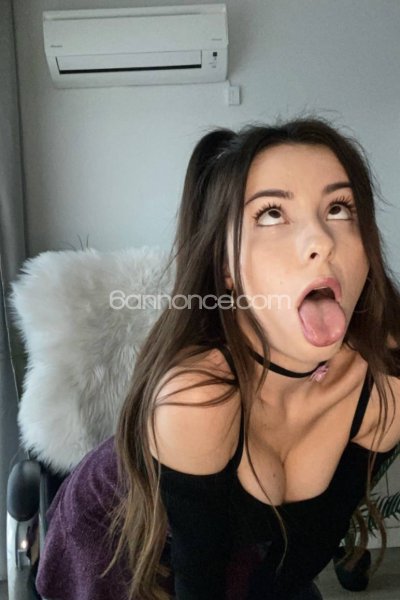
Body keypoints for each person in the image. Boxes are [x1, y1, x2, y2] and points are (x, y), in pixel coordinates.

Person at [36, 116, 400, 600]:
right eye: (271, 214)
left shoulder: (386, 380)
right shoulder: (197, 396)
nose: (321, 241)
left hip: (240, 551)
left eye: (339, 208)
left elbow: (305, 552)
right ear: (227, 269)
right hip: (119, 547)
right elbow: (199, 583)